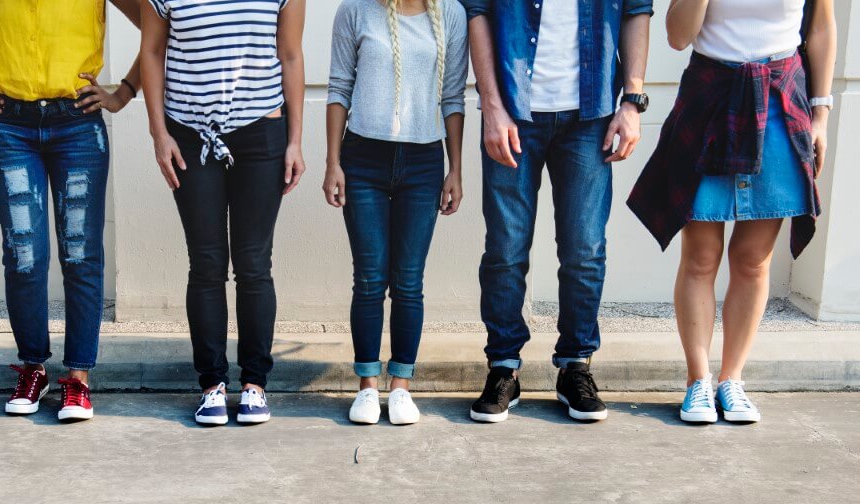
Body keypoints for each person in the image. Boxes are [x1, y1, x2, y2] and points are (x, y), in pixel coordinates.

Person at [0, 0, 143, 421]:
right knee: (24, 254)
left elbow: (156, 25)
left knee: (81, 254)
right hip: (8, 124)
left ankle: (78, 378)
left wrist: (124, 92)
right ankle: (32, 367)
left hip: (77, 123)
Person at [629, 0, 835, 425]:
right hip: (710, 94)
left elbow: (820, 29)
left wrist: (821, 114)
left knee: (752, 260)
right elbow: (678, 35)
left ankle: (732, 380)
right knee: (701, 258)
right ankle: (698, 381)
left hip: (780, 97)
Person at [460, 0, 652, 423]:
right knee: (506, 249)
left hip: (592, 114)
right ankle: (503, 368)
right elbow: (478, 12)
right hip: (513, 109)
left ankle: (575, 367)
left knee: (584, 249)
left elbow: (637, 10)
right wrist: (490, 106)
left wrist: (632, 101)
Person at [140, 0, 307, 426]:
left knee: (253, 263)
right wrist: (159, 134)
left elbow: (289, 54)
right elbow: (153, 52)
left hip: (261, 132)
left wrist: (294, 140)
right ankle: (212, 384)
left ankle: (254, 384)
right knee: (207, 262)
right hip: (190, 134)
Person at [324, 0, 469, 426]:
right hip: (363, 158)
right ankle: (368, 385)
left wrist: (455, 168)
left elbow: (452, 97)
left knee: (408, 280)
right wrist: (333, 162)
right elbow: (338, 89)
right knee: (370, 277)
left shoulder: (452, 15)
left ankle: (401, 385)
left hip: (424, 161)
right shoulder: (355, 12)